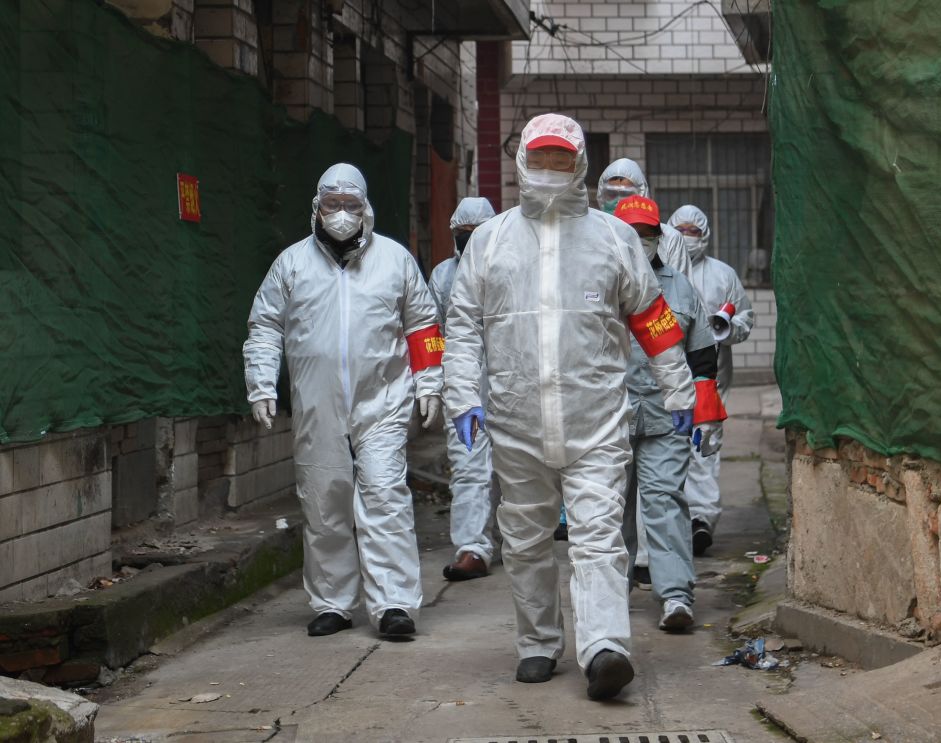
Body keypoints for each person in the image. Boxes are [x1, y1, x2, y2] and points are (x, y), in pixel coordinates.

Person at [443, 113, 697, 701]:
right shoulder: (491, 241)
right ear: (522, 163)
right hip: (515, 420)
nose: (551, 171)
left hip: (596, 421)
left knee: (600, 537)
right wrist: (461, 394)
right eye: (542, 159)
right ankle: (537, 642)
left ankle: (605, 647)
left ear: (579, 164)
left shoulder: (613, 238)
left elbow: (653, 318)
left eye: (562, 160)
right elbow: (461, 326)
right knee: (526, 539)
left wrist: (679, 387)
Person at [243, 163, 444, 638]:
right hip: (318, 403)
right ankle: (332, 601)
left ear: (366, 209)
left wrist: (430, 383)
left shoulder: (394, 260)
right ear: (316, 207)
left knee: (384, 494)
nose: (340, 214)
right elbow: (265, 325)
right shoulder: (291, 264)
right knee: (324, 498)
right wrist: (261, 382)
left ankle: (395, 603)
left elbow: (422, 325)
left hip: (383, 400)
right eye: (332, 205)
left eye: (350, 205)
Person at [613, 195, 727, 631]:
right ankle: (607, 596)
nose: (640, 242)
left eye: (647, 235)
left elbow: (701, 356)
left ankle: (676, 597)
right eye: (632, 235)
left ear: (659, 239)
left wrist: (708, 413)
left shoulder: (678, 287)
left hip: (667, 417)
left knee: (664, 502)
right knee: (608, 509)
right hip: (608, 419)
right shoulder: (593, 285)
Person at [667, 204, 754, 555]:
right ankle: (675, 519)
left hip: (711, 375)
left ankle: (701, 519)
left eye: (693, 231)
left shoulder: (723, 275)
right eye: (681, 230)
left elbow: (745, 316)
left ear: (705, 235)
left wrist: (728, 327)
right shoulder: (661, 269)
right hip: (669, 371)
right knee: (669, 446)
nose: (687, 238)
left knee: (703, 444)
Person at [428, 197, 500, 581]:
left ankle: (509, 537)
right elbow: (433, 332)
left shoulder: (510, 266)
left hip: (509, 382)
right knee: (469, 466)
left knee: (513, 467)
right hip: (464, 383)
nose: (468, 243)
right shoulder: (443, 276)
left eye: (477, 236)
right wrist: (437, 380)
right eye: (462, 236)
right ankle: (472, 547)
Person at [596, 158, 691, 277]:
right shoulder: (594, 234)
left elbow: (681, 289)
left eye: (626, 194)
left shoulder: (670, 238)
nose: (618, 202)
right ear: (601, 196)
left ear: (642, 194)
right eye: (612, 194)